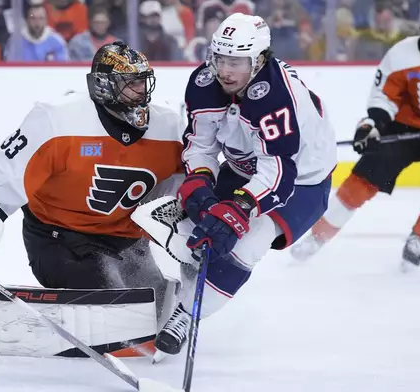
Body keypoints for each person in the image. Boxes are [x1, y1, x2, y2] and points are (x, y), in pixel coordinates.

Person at [0, 42, 185, 356]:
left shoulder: (170, 127)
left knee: (158, 314)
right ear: (104, 87)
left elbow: (185, 189)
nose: (140, 91)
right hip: (60, 239)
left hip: (127, 242)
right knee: (120, 325)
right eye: (130, 83)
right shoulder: (57, 119)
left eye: (142, 81)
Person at [136, 12, 337, 356]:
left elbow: (278, 173)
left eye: (237, 62)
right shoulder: (204, 82)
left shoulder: (275, 98)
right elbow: (200, 145)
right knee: (202, 216)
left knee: (248, 242)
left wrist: (240, 208)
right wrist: (199, 180)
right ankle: (195, 255)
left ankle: (185, 315)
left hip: (303, 181)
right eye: (220, 59)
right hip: (245, 166)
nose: (226, 71)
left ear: (258, 61)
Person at [291, 0, 420, 270]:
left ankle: (419, 239)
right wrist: (371, 126)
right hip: (406, 127)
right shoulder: (401, 54)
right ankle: (316, 238)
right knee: (362, 179)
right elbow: (383, 99)